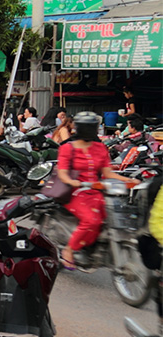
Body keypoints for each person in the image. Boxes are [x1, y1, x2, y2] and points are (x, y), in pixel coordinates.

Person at [56, 112, 138, 270]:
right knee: (92, 220)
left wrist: (128, 180)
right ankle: (69, 250)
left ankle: (90, 247)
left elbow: (107, 173)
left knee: (113, 217)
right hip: (74, 192)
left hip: (96, 191)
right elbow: (62, 173)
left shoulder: (100, 147)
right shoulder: (68, 148)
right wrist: (74, 182)